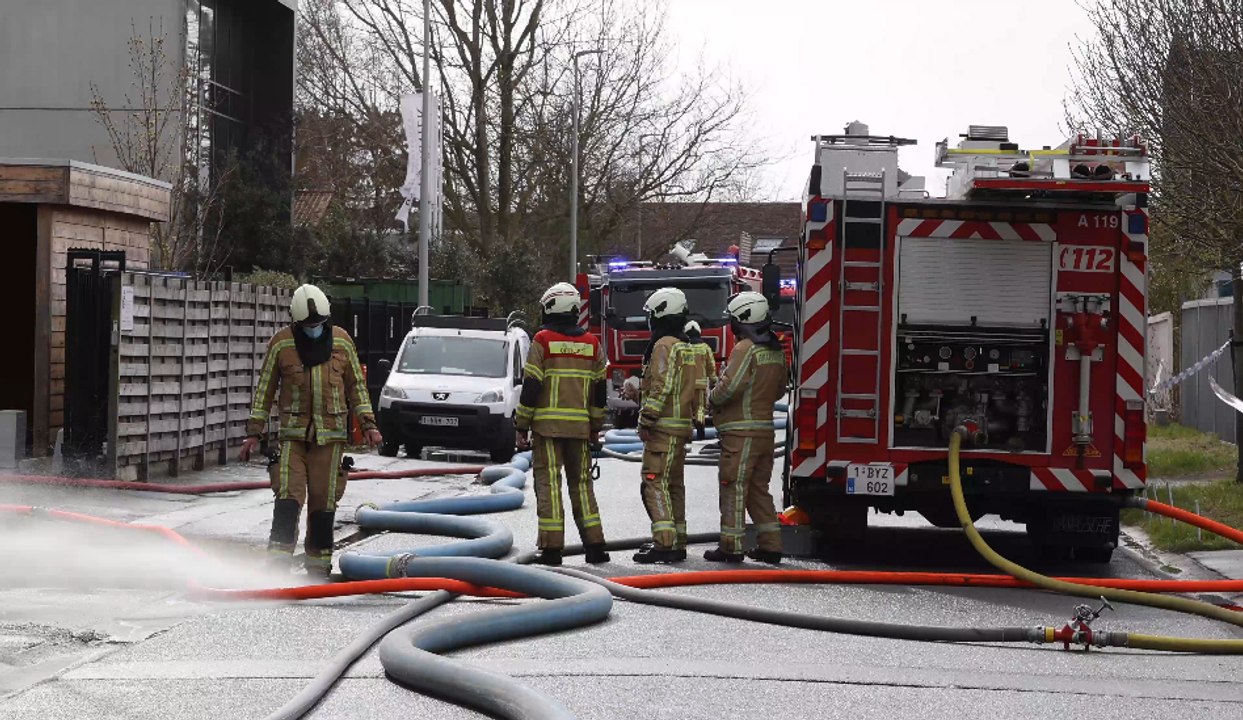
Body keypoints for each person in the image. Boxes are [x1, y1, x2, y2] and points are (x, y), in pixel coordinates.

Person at [240, 284, 382, 579]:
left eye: (318, 324)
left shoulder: (342, 342)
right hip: (293, 438)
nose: (313, 329)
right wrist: (254, 431)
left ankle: (318, 567)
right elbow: (265, 389)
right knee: (288, 498)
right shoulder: (281, 344)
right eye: (308, 325)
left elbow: (356, 386)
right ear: (296, 321)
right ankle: (277, 564)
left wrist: (368, 425)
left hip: (330, 439)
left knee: (323, 503)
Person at [515, 282, 610, 566]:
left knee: (549, 485)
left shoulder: (543, 340)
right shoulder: (592, 344)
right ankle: (595, 546)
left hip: (547, 430)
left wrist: (521, 425)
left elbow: (532, 386)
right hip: (580, 431)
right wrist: (595, 427)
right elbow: (599, 392)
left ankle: (552, 549)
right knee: (582, 486)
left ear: (551, 307)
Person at [704, 291, 788, 565]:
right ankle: (771, 546)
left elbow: (729, 388)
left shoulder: (745, 348)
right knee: (757, 489)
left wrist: (710, 398)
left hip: (740, 435)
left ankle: (731, 546)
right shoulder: (775, 350)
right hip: (765, 432)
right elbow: (779, 390)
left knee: (733, 487)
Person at [634, 287, 702, 564]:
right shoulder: (686, 346)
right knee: (674, 485)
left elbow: (661, 387)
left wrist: (646, 419)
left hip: (663, 428)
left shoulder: (664, 345)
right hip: (680, 427)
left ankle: (664, 543)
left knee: (654, 482)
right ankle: (677, 540)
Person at [683, 320, 718, 440]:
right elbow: (711, 366)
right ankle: (700, 423)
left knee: (687, 408)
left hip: (686, 385)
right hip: (701, 385)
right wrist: (714, 381)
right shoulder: (705, 348)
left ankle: (688, 432)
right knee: (700, 407)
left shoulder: (684, 348)